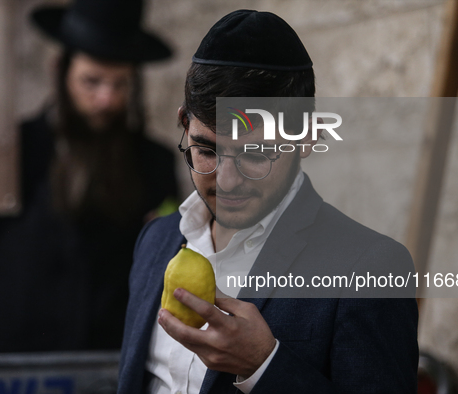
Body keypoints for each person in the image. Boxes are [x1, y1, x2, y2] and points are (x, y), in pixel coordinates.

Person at [117, 9, 419, 394]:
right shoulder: (154, 243)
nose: (225, 181)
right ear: (184, 123)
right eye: (206, 150)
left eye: (255, 155)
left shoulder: (370, 267)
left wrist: (265, 366)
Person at [0, 0, 177, 353]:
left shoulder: (154, 164)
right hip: (10, 369)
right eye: (91, 82)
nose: (105, 99)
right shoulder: (7, 154)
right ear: (59, 71)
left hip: (110, 366)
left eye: (120, 85)